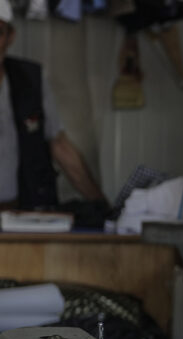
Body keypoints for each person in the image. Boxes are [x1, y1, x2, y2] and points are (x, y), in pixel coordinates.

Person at [0, 0, 106, 211]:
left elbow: (59, 146)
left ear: (10, 37)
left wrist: (102, 206)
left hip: (22, 213)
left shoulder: (30, 80)